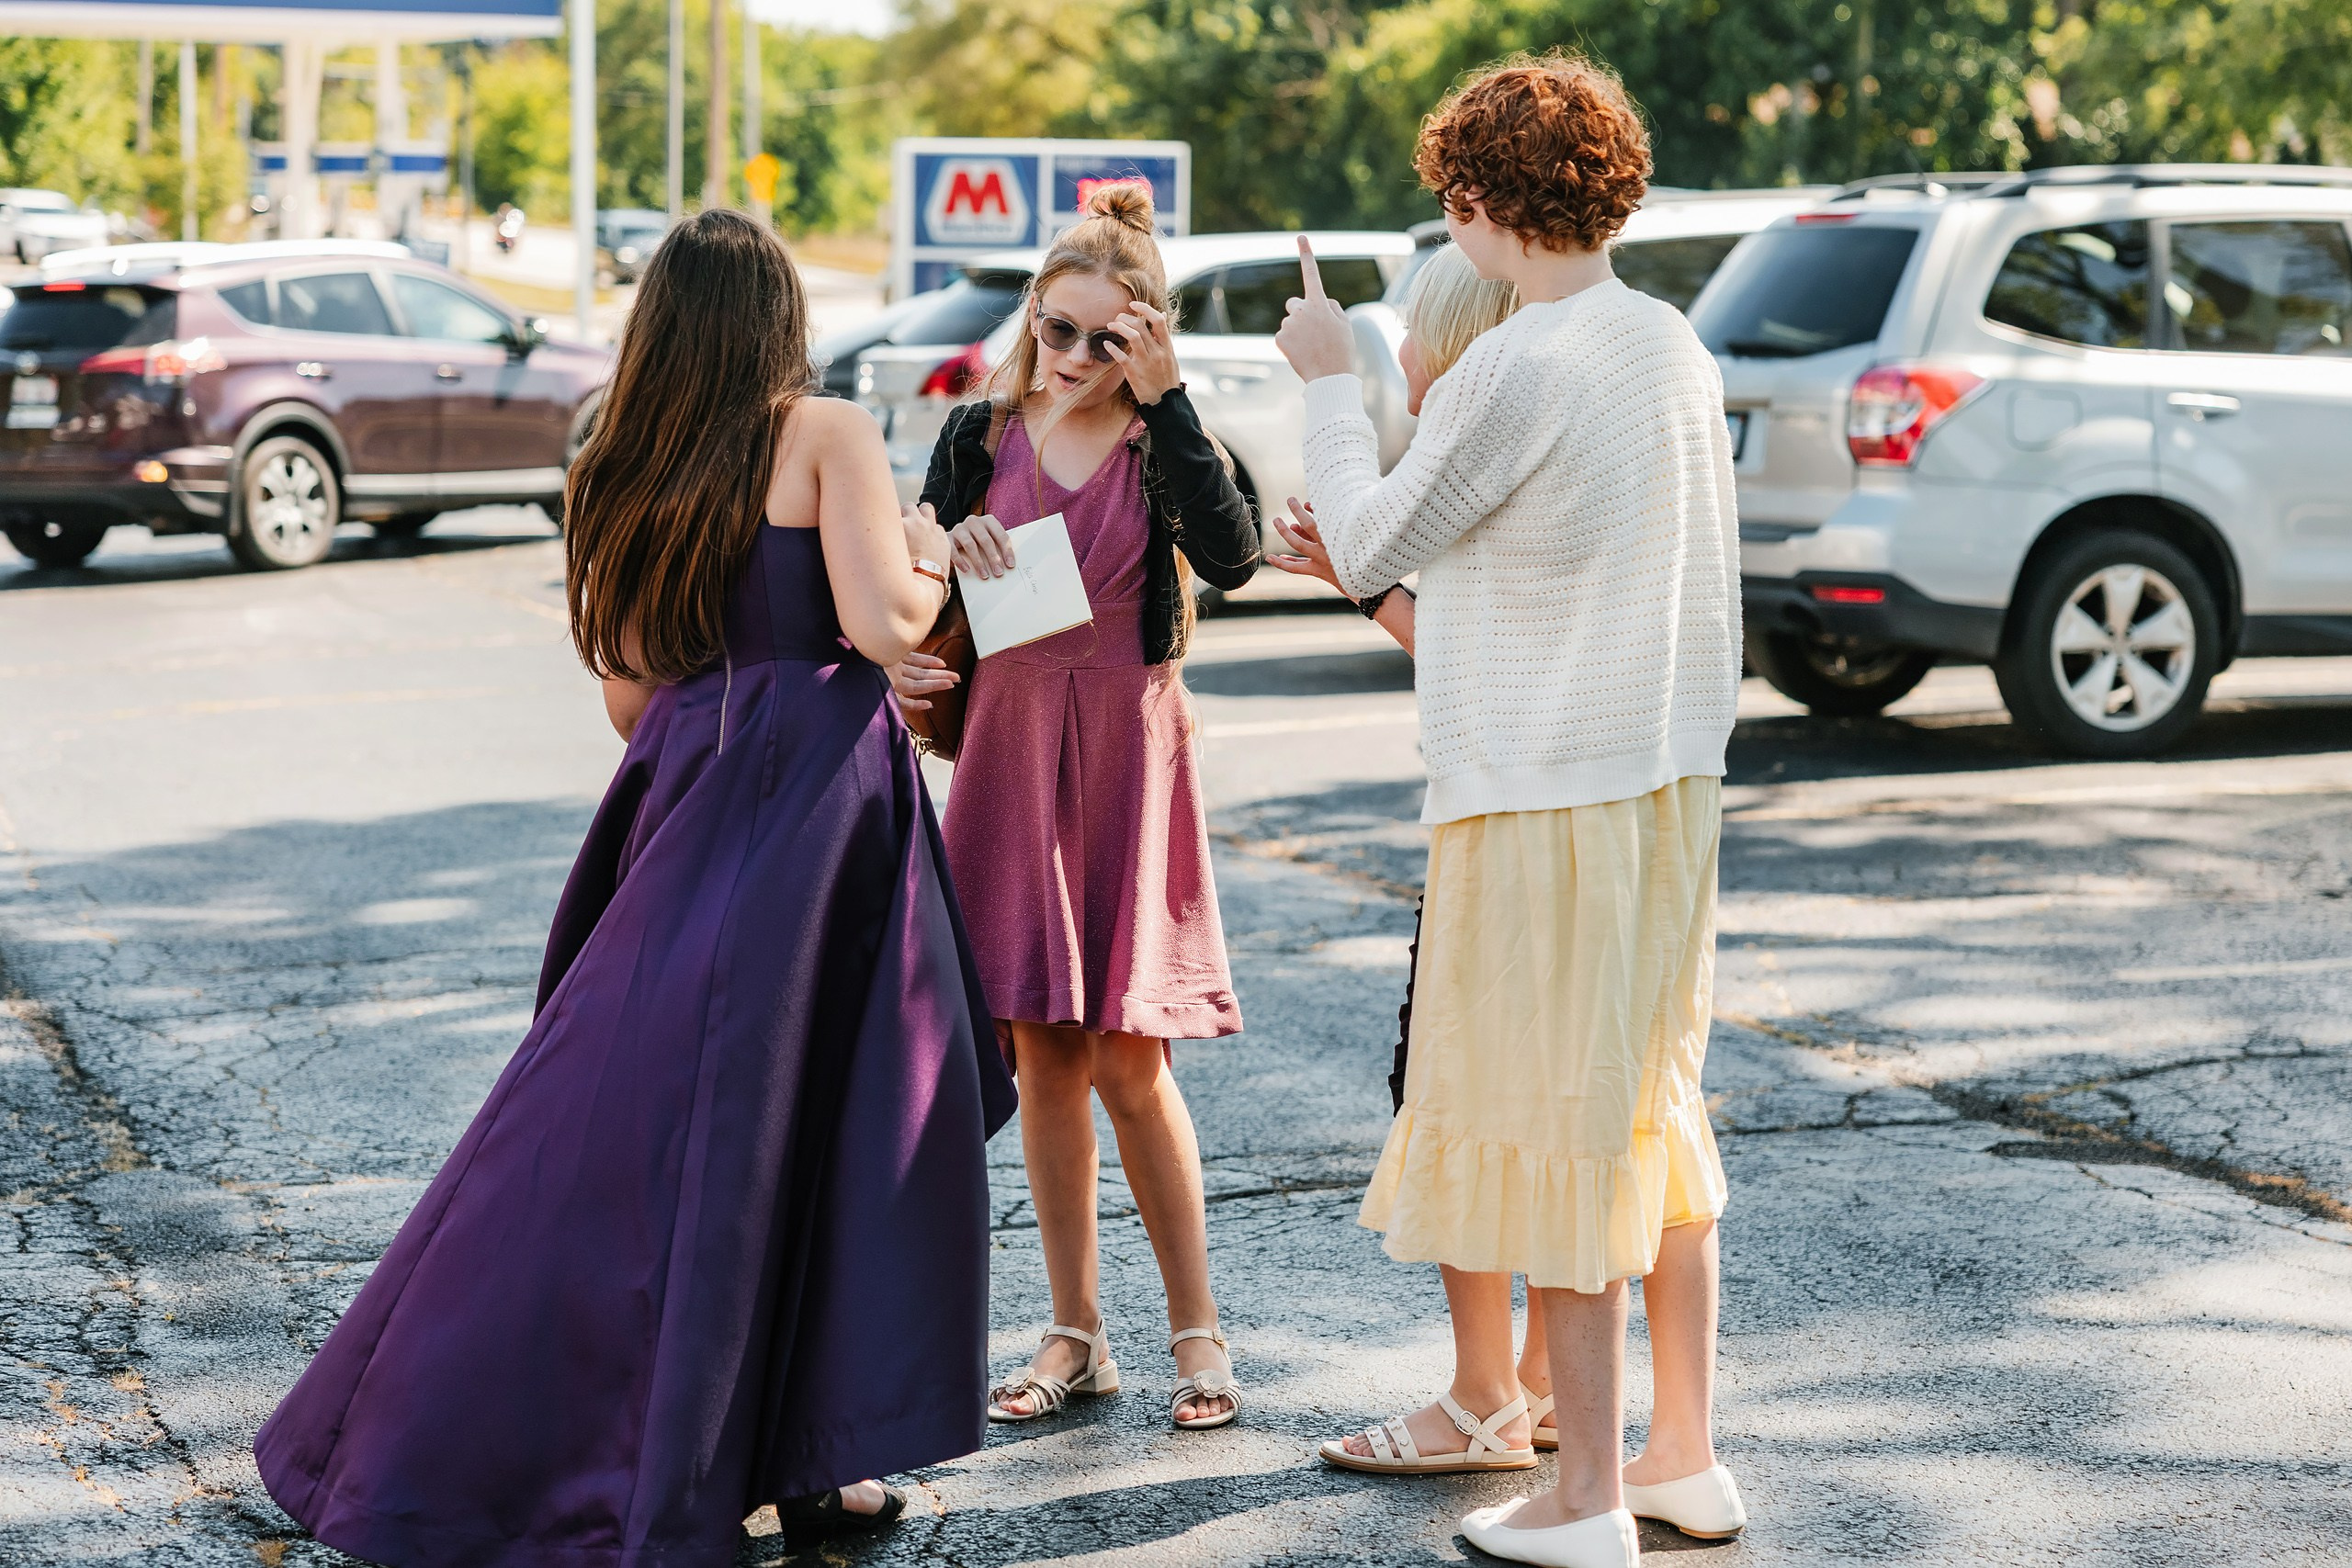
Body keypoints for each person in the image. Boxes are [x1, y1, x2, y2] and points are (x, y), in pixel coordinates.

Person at [254, 209, 1017, 1566]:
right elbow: (886, 626)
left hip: (683, 789)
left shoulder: (617, 454)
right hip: (820, 818)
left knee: (647, 1144)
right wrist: (935, 550)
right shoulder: (824, 431)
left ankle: (515, 1446)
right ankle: (810, 1465)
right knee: (831, 1135)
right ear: (779, 317)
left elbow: (624, 692)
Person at [1274, 53, 1745, 1568]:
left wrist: (1329, 381)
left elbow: (1368, 540)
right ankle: (1682, 1459)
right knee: (1646, 1113)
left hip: (1543, 795)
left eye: (1453, 199)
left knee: (1555, 1129)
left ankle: (1584, 1494)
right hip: (1670, 788)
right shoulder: (1670, 343)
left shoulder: (1512, 364)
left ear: (1481, 202)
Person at [892, 181, 1261, 1432]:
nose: (1079, 358)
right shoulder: (976, 436)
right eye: (1060, 330)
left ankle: (1197, 1332)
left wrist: (1174, 398)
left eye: (1111, 338)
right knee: (1043, 1051)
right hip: (1007, 749)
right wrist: (944, 543)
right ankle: (1075, 1333)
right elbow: (908, 573)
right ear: (1031, 320)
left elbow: (1233, 553)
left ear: (1147, 337)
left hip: (1125, 749)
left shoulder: (1160, 439)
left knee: (1129, 1057)